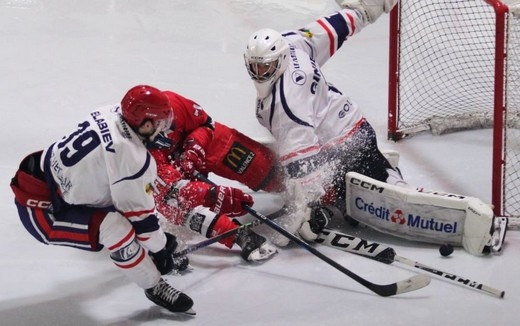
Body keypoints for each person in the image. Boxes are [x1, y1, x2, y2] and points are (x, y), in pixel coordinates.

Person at [241, 0, 507, 256]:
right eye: (254, 66)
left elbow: (306, 169)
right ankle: (376, 178)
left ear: (281, 59)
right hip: (349, 128)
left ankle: (474, 222)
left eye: (266, 66)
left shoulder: (287, 104)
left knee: (381, 199)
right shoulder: (293, 42)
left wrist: (306, 209)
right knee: (354, 194)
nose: (260, 72)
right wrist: (365, 9)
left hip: (345, 145)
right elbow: (332, 28)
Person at [10, 86, 195, 314]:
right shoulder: (132, 158)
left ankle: (146, 260)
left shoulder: (110, 111)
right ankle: (154, 285)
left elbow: (127, 199)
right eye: (159, 123)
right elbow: (143, 225)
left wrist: (157, 242)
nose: (166, 129)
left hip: (50, 181)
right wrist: (161, 248)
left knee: (121, 205)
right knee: (116, 229)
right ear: (144, 124)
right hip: (43, 210)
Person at [127, 85, 280, 262]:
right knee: (174, 204)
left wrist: (194, 146)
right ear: (146, 126)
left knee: (261, 167)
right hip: (167, 177)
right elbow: (174, 191)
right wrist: (214, 195)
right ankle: (237, 234)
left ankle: (292, 182)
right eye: (163, 122)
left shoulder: (170, 104)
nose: (170, 124)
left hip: (195, 150)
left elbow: (206, 124)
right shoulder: (138, 155)